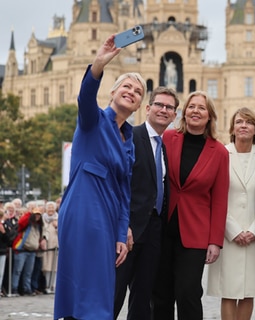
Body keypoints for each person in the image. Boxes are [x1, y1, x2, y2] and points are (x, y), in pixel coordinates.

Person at [54, 33, 146, 320]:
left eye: (138, 91)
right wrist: (98, 64)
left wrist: (122, 233)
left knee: (101, 286)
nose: (131, 92)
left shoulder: (129, 140)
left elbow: (124, 193)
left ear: (139, 104)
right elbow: (84, 96)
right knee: (86, 287)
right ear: (113, 93)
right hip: (84, 208)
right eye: (126, 87)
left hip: (107, 217)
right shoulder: (93, 121)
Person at [153, 90, 229, 319]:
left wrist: (215, 241)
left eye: (201, 108)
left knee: (188, 293)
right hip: (162, 230)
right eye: (191, 106)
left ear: (210, 117)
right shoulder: (168, 138)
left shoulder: (220, 152)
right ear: (184, 112)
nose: (195, 111)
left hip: (195, 235)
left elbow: (220, 199)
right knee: (160, 295)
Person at [113, 87, 178, 320]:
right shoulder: (131, 136)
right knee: (114, 294)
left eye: (169, 107)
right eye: (159, 105)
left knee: (143, 299)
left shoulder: (164, 147)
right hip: (128, 231)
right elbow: (119, 184)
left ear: (174, 115)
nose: (164, 110)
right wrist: (123, 226)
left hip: (153, 232)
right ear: (148, 108)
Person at [207, 107, 255, 320]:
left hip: (254, 234)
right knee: (229, 292)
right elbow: (214, 195)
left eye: (249, 122)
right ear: (232, 127)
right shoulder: (221, 153)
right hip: (227, 234)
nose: (243, 126)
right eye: (239, 121)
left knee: (249, 291)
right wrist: (232, 230)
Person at [11, 207, 46, 296]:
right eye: (35, 214)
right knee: (17, 271)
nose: (37, 216)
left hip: (32, 251)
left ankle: (27, 289)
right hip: (22, 249)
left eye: (39, 215)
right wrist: (29, 213)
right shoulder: (27, 223)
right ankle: (14, 288)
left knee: (28, 272)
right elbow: (21, 222)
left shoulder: (39, 226)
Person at [42, 201, 58, 294]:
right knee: (46, 266)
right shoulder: (43, 218)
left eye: (52, 207)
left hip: (55, 244)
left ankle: (54, 285)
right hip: (47, 245)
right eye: (49, 207)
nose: (50, 209)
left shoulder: (58, 217)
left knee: (55, 266)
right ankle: (47, 284)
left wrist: (56, 227)